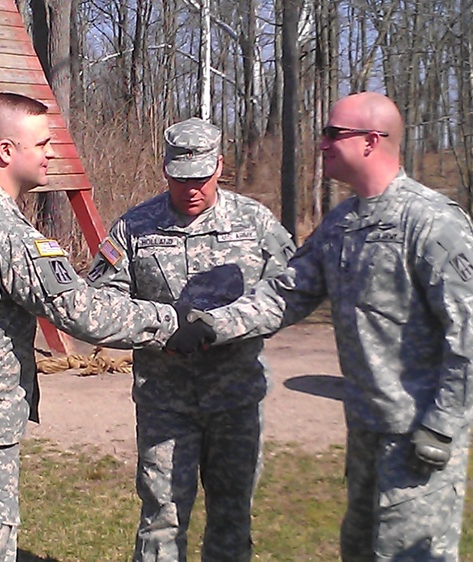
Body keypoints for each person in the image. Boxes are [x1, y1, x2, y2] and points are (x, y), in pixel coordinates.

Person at [172, 93, 473, 561]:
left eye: (332, 134)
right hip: (366, 427)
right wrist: (213, 326)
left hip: (417, 432)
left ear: (370, 141)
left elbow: (470, 332)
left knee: (407, 554)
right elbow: (287, 291)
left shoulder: (430, 222)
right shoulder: (343, 223)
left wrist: (443, 425)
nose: (320, 144)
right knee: (360, 550)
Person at [0, 92, 189, 562]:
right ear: (6, 152)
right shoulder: (1, 230)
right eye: (41, 144)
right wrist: (171, 322)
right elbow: (80, 310)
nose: (50, 153)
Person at [85, 117, 295, 561]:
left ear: (220, 165)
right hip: (166, 403)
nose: (192, 189)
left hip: (234, 400)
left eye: (201, 177)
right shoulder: (135, 229)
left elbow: (287, 296)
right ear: (165, 171)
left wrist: (222, 325)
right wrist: (160, 324)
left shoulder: (254, 224)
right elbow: (99, 303)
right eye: (181, 179)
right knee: (162, 516)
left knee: (232, 516)